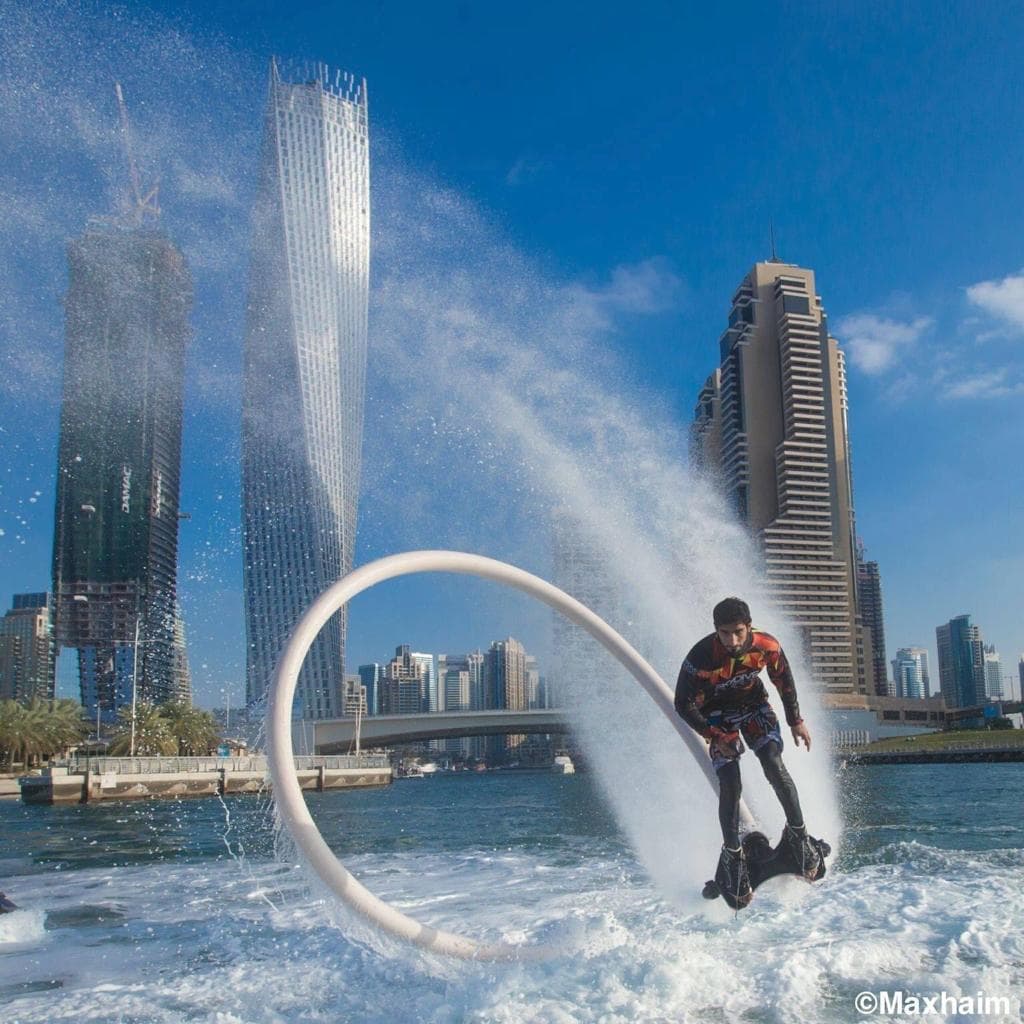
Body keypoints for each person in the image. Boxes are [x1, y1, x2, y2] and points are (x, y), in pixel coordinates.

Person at [674, 596, 819, 900]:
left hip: (754, 707)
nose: (732, 641)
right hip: (715, 716)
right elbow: (682, 704)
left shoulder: (767, 646)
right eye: (725, 633)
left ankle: (799, 836)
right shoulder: (700, 657)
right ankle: (733, 856)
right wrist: (713, 735)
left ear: (749, 626)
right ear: (716, 630)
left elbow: (784, 680)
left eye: (738, 632)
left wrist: (795, 721)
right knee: (731, 783)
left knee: (773, 763)